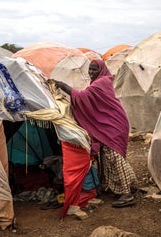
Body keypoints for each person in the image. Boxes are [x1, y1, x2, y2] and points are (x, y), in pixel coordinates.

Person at [53, 59, 137, 208]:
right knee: (108, 157)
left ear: (101, 70)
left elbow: (81, 98)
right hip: (110, 125)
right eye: (90, 70)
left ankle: (127, 194)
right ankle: (120, 188)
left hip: (113, 126)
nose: (91, 72)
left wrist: (62, 85)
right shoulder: (98, 82)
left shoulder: (101, 82)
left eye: (94, 70)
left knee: (115, 158)